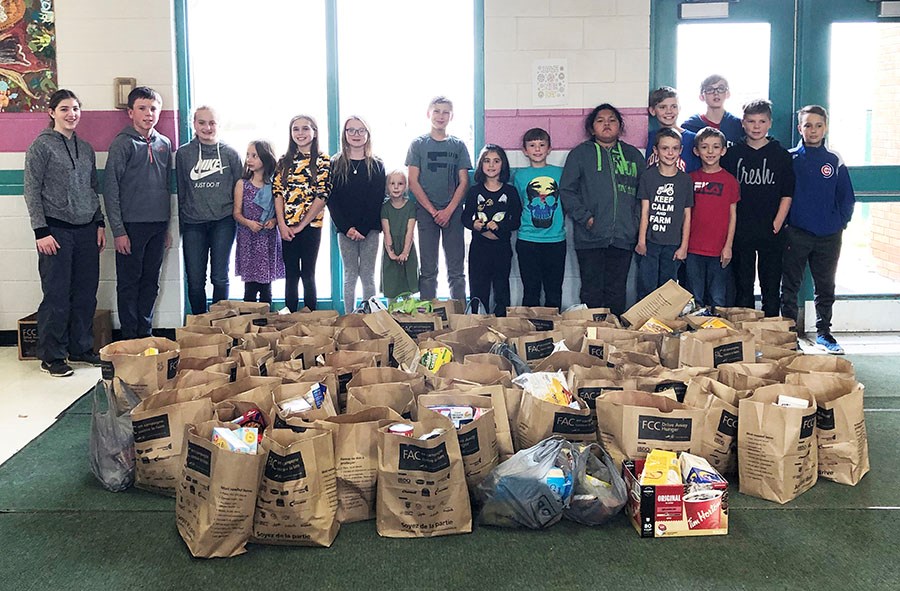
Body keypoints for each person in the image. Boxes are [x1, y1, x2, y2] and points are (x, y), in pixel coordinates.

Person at [23, 89, 105, 377]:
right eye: (65, 109)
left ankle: (80, 348)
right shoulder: (41, 147)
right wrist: (40, 231)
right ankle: (52, 355)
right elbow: (31, 190)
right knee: (57, 295)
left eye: (75, 109)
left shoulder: (86, 149)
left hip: (86, 231)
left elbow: (92, 189)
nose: (72, 114)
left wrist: (100, 223)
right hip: (55, 230)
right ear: (52, 112)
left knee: (85, 294)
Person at [781, 105, 855, 354]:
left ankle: (825, 333)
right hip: (797, 232)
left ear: (825, 128)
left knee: (826, 285)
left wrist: (840, 223)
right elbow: (781, 195)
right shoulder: (789, 158)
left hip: (829, 235)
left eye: (818, 125)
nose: (813, 130)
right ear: (800, 128)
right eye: (807, 125)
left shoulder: (834, 159)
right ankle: (789, 335)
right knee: (790, 284)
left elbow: (847, 197)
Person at [559, 103, 644, 316]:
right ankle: (591, 341)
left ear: (620, 126)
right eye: (600, 120)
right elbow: (567, 191)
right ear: (591, 128)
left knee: (617, 291)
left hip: (624, 236)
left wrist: (634, 223)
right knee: (591, 292)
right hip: (590, 237)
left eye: (612, 120)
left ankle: (615, 340)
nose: (606, 124)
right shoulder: (580, 154)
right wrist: (586, 219)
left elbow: (645, 195)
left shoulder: (633, 155)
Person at [103, 86, 172, 340]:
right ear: (130, 112)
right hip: (131, 227)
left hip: (157, 226)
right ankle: (130, 336)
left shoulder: (164, 143)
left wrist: (165, 229)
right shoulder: (122, 144)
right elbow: (111, 189)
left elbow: (166, 188)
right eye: (142, 108)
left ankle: (146, 332)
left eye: (153, 108)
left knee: (150, 281)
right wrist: (118, 231)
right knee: (129, 283)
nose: (148, 114)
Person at [722, 99, 794, 317]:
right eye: (751, 121)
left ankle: (772, 328)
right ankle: (747, 331)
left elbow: (787, 193)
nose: (756, 126)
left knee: (770, 284)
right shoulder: (732, 155)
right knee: (743, 285)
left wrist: (778, 222)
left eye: (762, 121)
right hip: (741, 229)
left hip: (770, 230)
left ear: (769, 123)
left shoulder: (780, 155)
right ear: (743, 123)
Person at [176, 106, 243, 314]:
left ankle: (220, 323)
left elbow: (239, 189)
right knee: (195, 280)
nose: (207, 127)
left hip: (223, 221)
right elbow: (181, 189)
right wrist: (180, 225)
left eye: (212, 123)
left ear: (218, 125)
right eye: (202, 123)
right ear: (193, 125)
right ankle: (199, 326)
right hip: (193, 223)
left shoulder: (231, 154)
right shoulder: (184, 154)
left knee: (220, 276)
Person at [406, 96, 472, 301]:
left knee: (456, 270)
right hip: (426, 214)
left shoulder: (458, 145)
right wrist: (434, 211)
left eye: (445, 112)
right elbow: (413, 181)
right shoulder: (418, 144)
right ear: (428, 114)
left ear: (451, 116)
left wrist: (449, 210)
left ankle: (459, 317)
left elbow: (464, 182)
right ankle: (429, 317)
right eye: (437, 111)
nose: (440, 116)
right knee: (428, 270)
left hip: (452, 213)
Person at [327, 116, 386, 313]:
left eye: (361, 130)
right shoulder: (335, 163)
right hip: (345, 231)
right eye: (351, 130)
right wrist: (346, 228)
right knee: (350, 273)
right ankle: (349, 316)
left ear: (368, 134)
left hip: (370, 229)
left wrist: (362, 228)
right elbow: (332, 199)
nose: (356, 135)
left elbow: (376, 200)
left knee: (368, 274)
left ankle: (371, 316)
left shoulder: (376, 164)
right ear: (344, 134)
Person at [274, 115, 331, 312]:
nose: (300, 133)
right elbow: (277, 193)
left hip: (311, 226)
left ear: (314, 132)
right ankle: (290, 320)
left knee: (308, 273)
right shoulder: (283, 161)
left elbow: (322, 195)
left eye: (305, 128)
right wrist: (282, 224)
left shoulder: (322, 160)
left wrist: (301, 225)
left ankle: (310, 319)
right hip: (287, 227)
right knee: (291, 275)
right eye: (296, 129)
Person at [462, 145, 522, 316]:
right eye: (487, 161)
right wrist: (474, 224)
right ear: (481, 165)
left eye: (496, 161)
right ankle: (477, 323)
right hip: (479, 248)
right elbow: (465, 217)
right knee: (478, 288)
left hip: (501, 248)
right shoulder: (475, 192)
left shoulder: (510, 192)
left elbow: (516, 220)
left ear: (503, 165)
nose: (491, 165)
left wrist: (501, 226)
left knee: (501, 288)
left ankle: (502, 326)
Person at [635, 128, 693, 299]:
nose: (670, 153)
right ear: (655, 150)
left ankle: (663, 324)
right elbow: (645, 211)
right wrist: (641, 241)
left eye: (675, 148)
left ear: (680, 150)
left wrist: (684, 247)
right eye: (665, 148)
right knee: (647, 286)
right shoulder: (648, 177)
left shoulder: (685, 180)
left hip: (673, 244)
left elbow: (687, 215)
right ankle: (642, 323)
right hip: (650, 243)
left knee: (667, 288)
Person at [686, 127, 740, 308]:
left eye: (716, 147)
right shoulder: (689, 179)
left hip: (718, 250)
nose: (710, 152)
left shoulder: (730, 181)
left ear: (723, 150)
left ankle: (717, 335)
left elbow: (733, 216)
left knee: (718, 298)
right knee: (695, 298)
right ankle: (696, 335)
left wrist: (728, 247)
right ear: (696, 151)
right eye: (705, 147)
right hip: (693, 248)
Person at [513, 128, 566, 310]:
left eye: (542, 145)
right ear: (525, 150)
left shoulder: (560, 173)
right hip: (528, 240)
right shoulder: (519, 176)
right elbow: (518, 203)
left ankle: (553, 331)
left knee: (553, 290)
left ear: (549, 149)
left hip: (556, 240)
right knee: (531, 290)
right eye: (532, 145)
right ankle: (529, 334)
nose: (537, 149)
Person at [233, 140, 284, 305]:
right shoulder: (242, 184)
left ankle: (264, 324)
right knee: (250, 286)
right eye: (248, 155)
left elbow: (279, 211)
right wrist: (249, 223)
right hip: (249, 238)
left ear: (265, 158)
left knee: (265, 285)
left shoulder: (274, 184)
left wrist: (274, 221)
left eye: (254, 156)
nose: (249, 159)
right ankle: (248, 322)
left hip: (267, 239)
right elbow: (236, 213)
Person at [381, 169, 419, 301]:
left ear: (406, 186)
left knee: (407, 289)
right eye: (392, 183)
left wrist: (405, 253)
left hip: (406, 247)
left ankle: (408, 318)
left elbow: (410, 232)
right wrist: (391, 253)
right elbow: (387, 232)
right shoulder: (385, 208)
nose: (396, 187)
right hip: (390, 248)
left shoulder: (410, 206)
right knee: (391, 287)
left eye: (400, 183)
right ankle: (391, 318)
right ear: (387, 186)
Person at [646, 86, 700, 172]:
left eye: (674, 106)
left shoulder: (693, 139)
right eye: (662, 107)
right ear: (652, 111)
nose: (669, 111)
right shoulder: (649, 138)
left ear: (679, 108)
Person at [682, 75, 743, 145]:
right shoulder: (690, 126)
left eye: (721, 88)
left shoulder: (738, 125)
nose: (716, 93)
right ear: (701, 96)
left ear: (728, 94)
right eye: (709, 89)